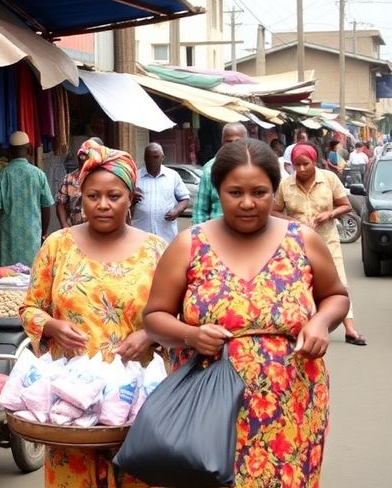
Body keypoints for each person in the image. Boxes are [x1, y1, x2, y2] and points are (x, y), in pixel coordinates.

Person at [143, 138, 351, 487]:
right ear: (218, 190)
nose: (248, 203)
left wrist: (320, 321)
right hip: (208, 408)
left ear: (275, 190)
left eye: (260, 192)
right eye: (235, 192)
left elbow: (336, 296)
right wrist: (191, 335)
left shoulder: (303, 240)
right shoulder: (188, 245)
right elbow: (154, 318)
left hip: (293, 405)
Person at [21, 144, 166, 487]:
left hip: (135, 403)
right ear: (80, 198)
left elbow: (178, 316)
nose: (102, 204)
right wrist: (53, 326)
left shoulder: (155, 251)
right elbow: (29, 308)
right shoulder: (57, 245)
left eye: (114, 195)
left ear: (131, 197)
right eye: (92, 196)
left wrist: (148, 334)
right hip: (69, 407)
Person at [274, 143, 367, 346]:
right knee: (296, 285)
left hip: (327, 242)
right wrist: (292, 221)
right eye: (296, 165)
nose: (301, 169)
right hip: (296, 244)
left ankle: (350, 329)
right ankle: (297, 327)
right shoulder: (285, 185)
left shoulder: (330, 179)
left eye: (305, 164)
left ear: (314, 162)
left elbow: (346, 205)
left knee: (339, 283)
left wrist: (329, 214)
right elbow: (274, 211)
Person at [0, 131, 55, 266]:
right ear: (29, 150)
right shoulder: (39, 175)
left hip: (8, 237)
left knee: (6, 279)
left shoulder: (1, 176)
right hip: (32, 236)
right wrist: (43, 232)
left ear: (9, 151)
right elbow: (46, 206)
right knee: (31, 277)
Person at [132, 143, 190, 242]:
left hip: (166, 236)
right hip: (141, 235)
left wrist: (176, 210)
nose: (152, 160)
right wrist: (131, 198)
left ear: (162, 158)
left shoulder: (173, 176)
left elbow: (185, 199)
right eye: (149, 157)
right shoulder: (135, 177)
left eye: (155, 157)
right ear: (145, 158)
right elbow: (124, 201)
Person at [192, 122, 248, 224]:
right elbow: (200, 210)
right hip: (216, 234)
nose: (233, 145)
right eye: (229, 141)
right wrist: (198, 237)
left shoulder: (256, 166)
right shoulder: (210, 169)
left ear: (247, 141)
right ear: (222, 142)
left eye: (238, 141)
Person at [56, 139, 96, 228]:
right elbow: (60, 204)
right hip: (75, 230)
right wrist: (64, 224)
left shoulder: (104, 179)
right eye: (81, 158)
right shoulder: (69, 179)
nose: (83, 161)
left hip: (98, 231)